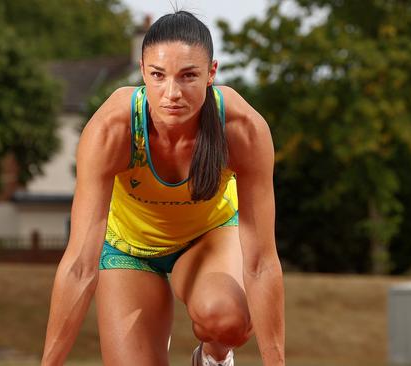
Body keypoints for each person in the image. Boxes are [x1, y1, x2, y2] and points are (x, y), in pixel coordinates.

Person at [41, 10, 285, 366]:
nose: (172, 93)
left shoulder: (242, 128)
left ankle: (213, 358)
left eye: (188, 76)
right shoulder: (112, 129)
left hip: (208, 237)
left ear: (211, 73)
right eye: (158, 75)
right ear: (142, 71)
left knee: (227, 317)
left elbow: (262, 263)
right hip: (129, 249)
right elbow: (79, 266)